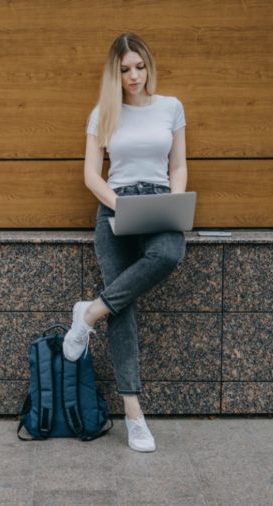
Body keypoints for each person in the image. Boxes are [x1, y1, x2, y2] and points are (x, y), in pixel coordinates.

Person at [62, 32, 188, 453]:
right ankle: (134, 417)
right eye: (125, 70)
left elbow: (179, 163)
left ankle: (90, 312)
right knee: (126, 311)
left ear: (149, 65)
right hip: (115, 206)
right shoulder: (103, 113)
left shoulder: (171, 108)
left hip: (158, 200)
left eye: (139, 66)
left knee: (170, 252)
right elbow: (91, 175)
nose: (134, 76)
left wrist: (171, 202)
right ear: (114, 75)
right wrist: (120, 205)